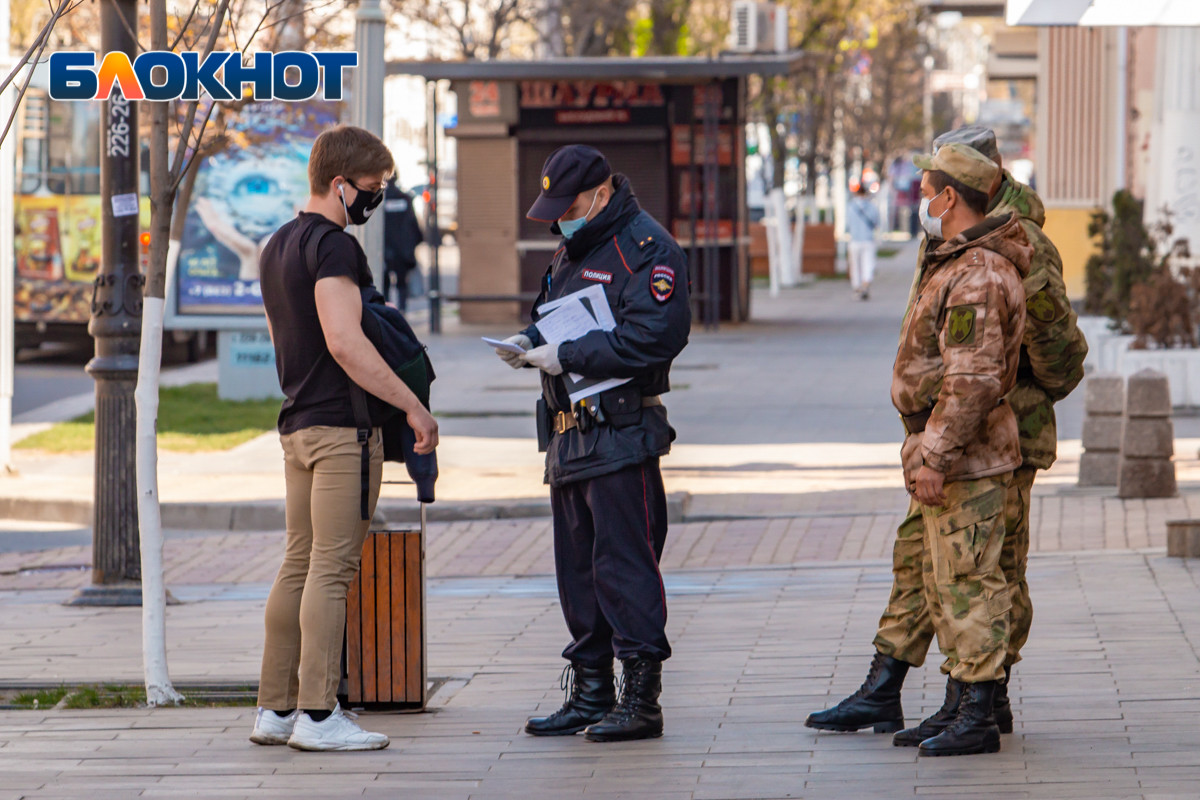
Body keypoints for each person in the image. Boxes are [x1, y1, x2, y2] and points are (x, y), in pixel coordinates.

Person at [806, 127, 1087, 750]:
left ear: (963, 184)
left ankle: (983, 701)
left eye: (931, 184)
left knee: (983, 569)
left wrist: (965, 417)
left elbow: (1043, 358)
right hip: (949, 437)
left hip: (990, 438)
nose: (921, 195)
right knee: (927, 561)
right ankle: (908, 687)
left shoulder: (1008, 252)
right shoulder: (958, 243)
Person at [250, 125, 439, 752]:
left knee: (298, 565)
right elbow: (344, 340)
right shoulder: (333, 248)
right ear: (340, 184)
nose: (375, 198)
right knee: (332, 570)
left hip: (296, 425)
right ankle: (319, 715)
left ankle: (275, 710)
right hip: (341, 433)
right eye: (372, 188)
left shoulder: (277, 245)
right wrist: (412, 406)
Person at [494, 144, 690, 742]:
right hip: (567, 436)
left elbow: (652, 337)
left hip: (620, 432)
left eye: (569, 205)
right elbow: (557, 314)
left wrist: (568, 355)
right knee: (577, 571)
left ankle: (640, 698)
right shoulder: (574, 246)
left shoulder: (647, 250)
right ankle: (590, 690)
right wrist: (528, 341)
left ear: (601, 194)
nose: (560, 218)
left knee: (623, 566)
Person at [382, 177, 424, 311]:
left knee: (385, 284)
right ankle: (402, 311)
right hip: (402, 250)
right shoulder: (405, 198)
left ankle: (386, 311)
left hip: (386, 248)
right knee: (402, 284)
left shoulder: (381, 201)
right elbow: (413, 224)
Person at [846, 184, 880, 299]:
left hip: (854, 240)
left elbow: (847, 224)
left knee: (855, 265)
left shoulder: (850, 206)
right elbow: (876, 222)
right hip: (868, 240)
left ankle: (857, 287)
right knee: (868, 263)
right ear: (865, 193)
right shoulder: (872, 206)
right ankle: (865, 284)